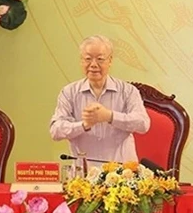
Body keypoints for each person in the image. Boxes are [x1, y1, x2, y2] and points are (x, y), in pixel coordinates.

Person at [50, 35, 150, 163]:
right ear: (81, 61)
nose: (93, 65)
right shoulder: (69, 92)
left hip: (122, 171)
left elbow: (143, 124)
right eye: (88, 59)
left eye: (100, 59)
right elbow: (55, 131)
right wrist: (83, 125)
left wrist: (110, 116)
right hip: (84, 172)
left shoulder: (128, 91)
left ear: (110, 61)